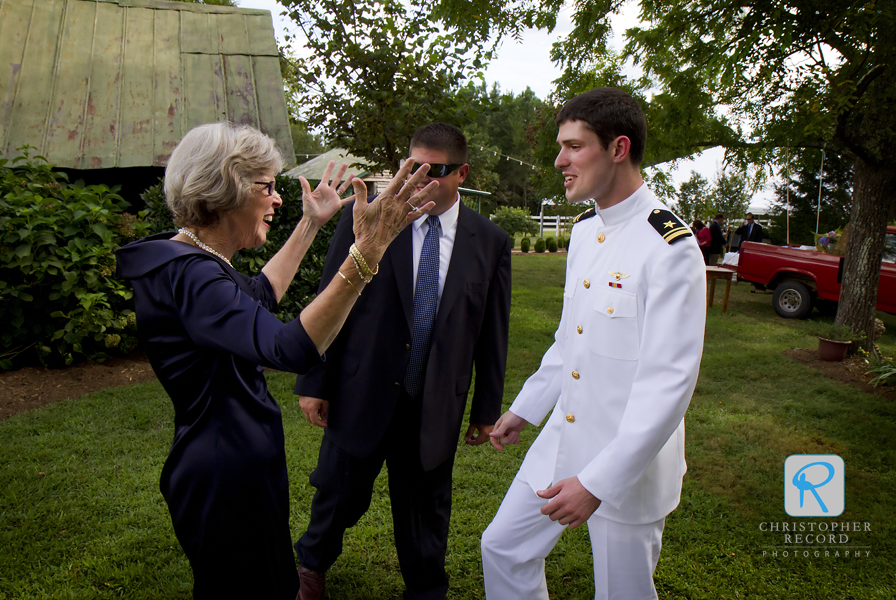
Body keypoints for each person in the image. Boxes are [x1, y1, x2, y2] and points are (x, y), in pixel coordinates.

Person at [115, 122, 439, 599]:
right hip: (225, 477)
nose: (277, 198)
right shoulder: (193, 275)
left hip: (230, 463)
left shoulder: (191, 261)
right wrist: (368, 252)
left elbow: (259, 295)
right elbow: (290, 348)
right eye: (266, 186)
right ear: (226, 187)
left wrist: (311, 223)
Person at [480, 88, 706, 600]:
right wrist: (525, 408)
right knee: (503, 548)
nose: (559, 160)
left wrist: (598, 482)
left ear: (618, 148)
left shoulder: (668, 247)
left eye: (573, 146)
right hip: (564, 435)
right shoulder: (585, 232)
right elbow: (570, 339)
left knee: (621, 593)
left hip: (629, 463)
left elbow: (669, 384)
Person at [293, 123, 512, 600]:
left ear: (462, 173)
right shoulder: (369, 216)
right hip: (362, 389)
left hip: (433, 403)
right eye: (412, 169)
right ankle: (310, 567)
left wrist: (486, 410)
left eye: (435, 172)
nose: (419, 181)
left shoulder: (490, 241)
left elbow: (493, 332)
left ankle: (427, 588)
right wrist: (316, 379)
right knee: (337, 493)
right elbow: (329, 297)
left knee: (426, 509)